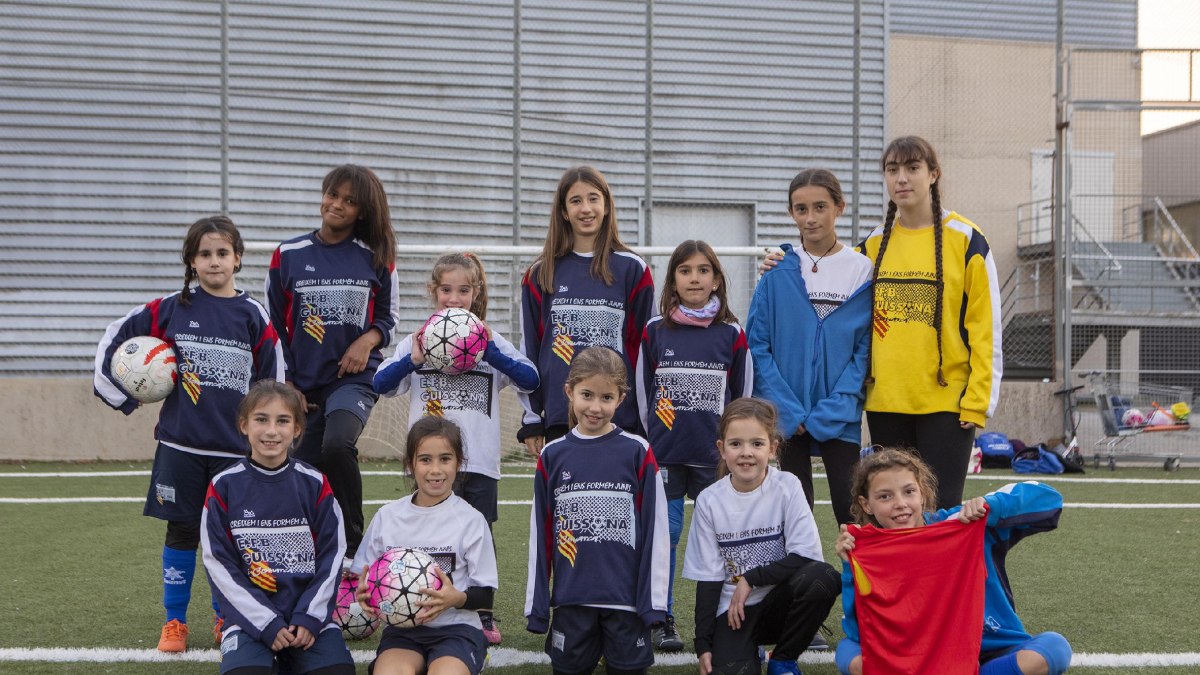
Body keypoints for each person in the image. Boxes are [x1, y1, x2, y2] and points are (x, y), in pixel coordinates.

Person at [94, 216, 283, 652]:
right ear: (191, 261)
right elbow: (113, 339)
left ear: (237, 258)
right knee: (181, 532)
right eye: (204, 254)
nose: (214, 262)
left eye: (222, 253)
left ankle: (226, 618)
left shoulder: (253, 314)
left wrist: (271, 433)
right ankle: (174, 622)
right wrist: (122, 395)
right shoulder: (171, 308)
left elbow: (274, 380)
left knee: (232, 536)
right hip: (180, 446)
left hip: (236, 452)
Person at [372, 251, 536, 644]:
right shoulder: (418, 340)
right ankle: (417, 601)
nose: (454, 297)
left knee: (480, 533)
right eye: (446, 289)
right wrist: (411, 360)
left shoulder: (492, 341)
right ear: (433, 291)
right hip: (429, 464)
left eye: (463, 290)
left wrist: (488, 348)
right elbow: (380, 384)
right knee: (430, 533)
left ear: (476, 293)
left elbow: (530, 378)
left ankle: (482, 612)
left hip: (477, 462)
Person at [835, 448, 1071, 675]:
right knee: (848, 655)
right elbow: (858, 632)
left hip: (988, 647)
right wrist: (850, 569)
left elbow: (1050, 501)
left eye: (909, 491)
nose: (900, 504)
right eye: (885, 496)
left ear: (922, 493)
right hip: (912, 654)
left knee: (1054, 648)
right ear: (866, 504)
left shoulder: (961, 522)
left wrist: (992, 506)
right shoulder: (869, 550)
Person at [264, 164, 399, 559]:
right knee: (304, 474)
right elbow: (274, 326)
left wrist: (366, 340)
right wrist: (286, 384)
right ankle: (321, 552)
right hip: (299, 383)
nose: (336, 205)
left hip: (352, 379)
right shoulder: (287, 255)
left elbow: (388, 320)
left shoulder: (376, 257)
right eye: (332, 194)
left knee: (338, 443)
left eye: (349, 201)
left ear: (363, 211)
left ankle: (356, 544)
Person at [634, 239, 753, 652]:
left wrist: (732, 450)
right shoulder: (654, 331)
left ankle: (726, 618)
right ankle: (663, 618)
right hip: (665, 456)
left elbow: (742, 399)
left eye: (703, 270)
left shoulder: (731, 334)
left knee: (723, 538)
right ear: (673, 280)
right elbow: (642, 395)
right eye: (685, 270)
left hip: (713, 460)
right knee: (664, 539)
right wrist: (650, 445)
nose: (695, 278)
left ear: (717, 278)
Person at [525, 346, 669, 675]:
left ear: (621, 399)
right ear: (569, 391)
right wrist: (538, 607)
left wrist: (652, 603)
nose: (595, 407)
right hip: (571, 601)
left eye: (606, 398)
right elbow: (541, 533)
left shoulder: (637, 450)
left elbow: (656, 532)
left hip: (626, 604)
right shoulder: (553, 454)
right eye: (586, 394)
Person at [746, 169, 873, 529]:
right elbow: (758, 345)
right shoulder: (778, 271)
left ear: (840, 207)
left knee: (851, 513)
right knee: (795, 516)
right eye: (801, 209)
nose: (811, 218)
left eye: (820, 207)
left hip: (839, 415)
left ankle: (860, 585)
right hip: (788, 418)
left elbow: (864, 350)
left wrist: (836, 407)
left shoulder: (863, 270)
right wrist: (788, 411)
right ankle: (802, 585)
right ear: (791, 213)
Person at [201, 381, 355, 675]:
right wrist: (265, 623)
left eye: (282, 421)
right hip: (250, 620)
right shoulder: (224, 487)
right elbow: (218, 563)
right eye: (261, 419)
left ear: (297, 429)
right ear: (244, 425)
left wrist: (310, 617)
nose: (271, 431)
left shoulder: (315, 484)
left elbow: (333, 555)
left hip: (309, 620)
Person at [683, 398, 839, 675]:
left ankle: (783, 659)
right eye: (736, 444)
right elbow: (708, 579)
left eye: (756, 443)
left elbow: (805, 556)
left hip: (780, 605)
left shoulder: (787, 485)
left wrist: (751, 579)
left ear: (772, 448)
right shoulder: (709, 501)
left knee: (822, 578)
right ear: (722, 449)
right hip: (733, 612)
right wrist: (703, 644)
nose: (746, 453)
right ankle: (746, 651)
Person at [517, 166, 655, 456]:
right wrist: (532, 418)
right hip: (560, 416)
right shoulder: (540, 273)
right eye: (576, 201)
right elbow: (529, 350)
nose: (586, 208)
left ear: (606, 205)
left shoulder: (633, 269)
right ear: (564, 211)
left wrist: (646, 416)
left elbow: (647, 349)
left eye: (593, 198)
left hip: (620, 416)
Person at [352, 416, 499, 675]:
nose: (436, 470)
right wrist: (365, 596)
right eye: (425, 459)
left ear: (459, 463)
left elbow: (484, 595)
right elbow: (363, 577)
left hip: (457, 630)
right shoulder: (388, 517)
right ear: (410, 464)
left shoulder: (472, 520)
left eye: (445, 458)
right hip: (402, 631)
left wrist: (456, 598)